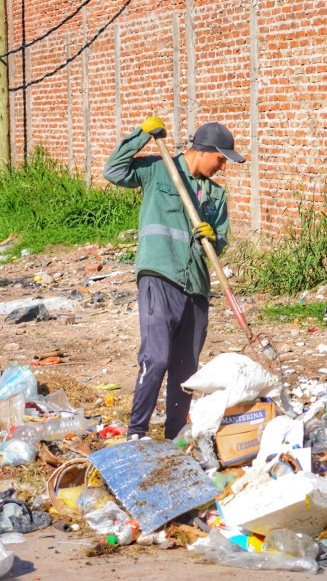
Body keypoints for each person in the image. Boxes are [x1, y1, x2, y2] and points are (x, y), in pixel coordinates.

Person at [103, 116, 245, 440]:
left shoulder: (216, 196)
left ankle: (174, 440)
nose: (223, 165)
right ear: (204, 151)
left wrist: (214, 238)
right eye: (221, 158)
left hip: (195, 286)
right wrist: (141, 135)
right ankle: (136, 434)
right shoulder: (158, 170)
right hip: (159, 274)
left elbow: (220, 241)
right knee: (156, 358)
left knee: (185, 370)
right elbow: (113, 171)